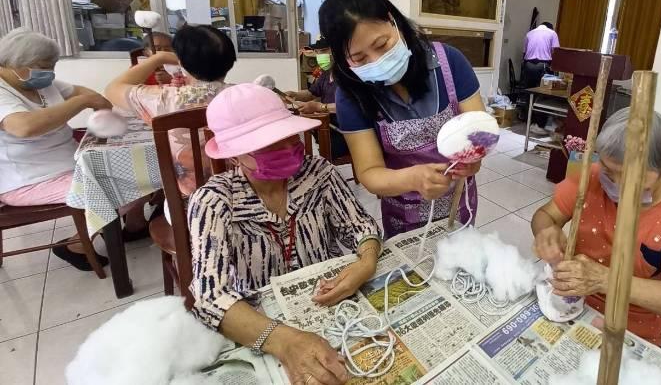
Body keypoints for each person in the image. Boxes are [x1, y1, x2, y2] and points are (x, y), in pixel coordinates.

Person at [190, 84, 382, 385]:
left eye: (287, 136)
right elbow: (211, 298)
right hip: (258, 326)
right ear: (235, 156)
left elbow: (361, 226)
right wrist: (285, 342)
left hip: (327, 305)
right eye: (267, 144)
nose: (284, 148)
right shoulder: (214, 201)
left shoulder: (318, 173)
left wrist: (367, 260)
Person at [530, 108, 661, 351]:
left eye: (630, 177)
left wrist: (604, 280)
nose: (614, 184)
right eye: (607, 169)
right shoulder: (589, 179)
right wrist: (546, 231)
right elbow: (545, 215)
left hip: (634, 328)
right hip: (572, 303)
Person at [319, 0, 484, 238]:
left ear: (393, 20)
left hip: (458, 205)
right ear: (343, 60)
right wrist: (414, 179)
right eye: (360, 59)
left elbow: (478, 131)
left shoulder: (450, 61)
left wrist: (473, 160)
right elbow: (369, 172)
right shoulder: (350, 94)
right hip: (403, 218)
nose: (376, 62)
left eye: (382, 44)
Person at [0, 27, 112, 270]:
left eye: (52, 65)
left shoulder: (42, 83)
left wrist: (94, 107)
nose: (49, 72)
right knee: (114, 187)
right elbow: (23, 127)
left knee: (149, 173)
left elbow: (95, 97)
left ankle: (125, 227)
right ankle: (77, 244)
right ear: (16, 63)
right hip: (30, 179)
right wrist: (81, 102)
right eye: (43, 65)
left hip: (70, 162)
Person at [105, 25, 236, 200]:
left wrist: (157, 59)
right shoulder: (244, 95)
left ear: (181, 63)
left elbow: (112, 89)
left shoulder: (163, 98)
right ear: (230, 62)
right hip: (241, 193)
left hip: (189, 201)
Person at [285, 36, 349, 159]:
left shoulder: (348, 76)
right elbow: (311, 93)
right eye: (318, 52)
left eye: (324, 51)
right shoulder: (326, 74)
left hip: (344, 131)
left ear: (337, 50)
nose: (320, 55)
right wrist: (295, 94)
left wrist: (319, 107)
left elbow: (349, 107)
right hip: (327, 127)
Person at [522, 22, 560, 135]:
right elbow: (556, 53)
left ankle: (529, 122)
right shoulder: (552, 33)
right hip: (542, 67)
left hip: (528, 66)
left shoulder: (529, 33)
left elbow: (524, 52)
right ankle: (540, 125)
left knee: (529, 93)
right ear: (550, 27)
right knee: (542, 96)